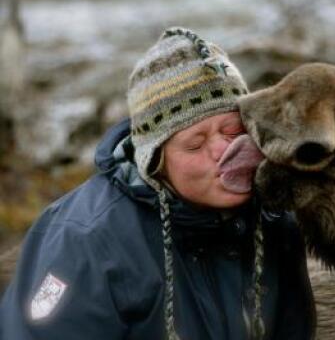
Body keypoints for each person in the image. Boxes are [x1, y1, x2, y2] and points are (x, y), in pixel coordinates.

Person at [0, 27, 316, 340]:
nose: (224, 152)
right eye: (195, 144)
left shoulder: (275, 220)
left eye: (233, 131)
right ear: (155, 161)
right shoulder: (86, 241)